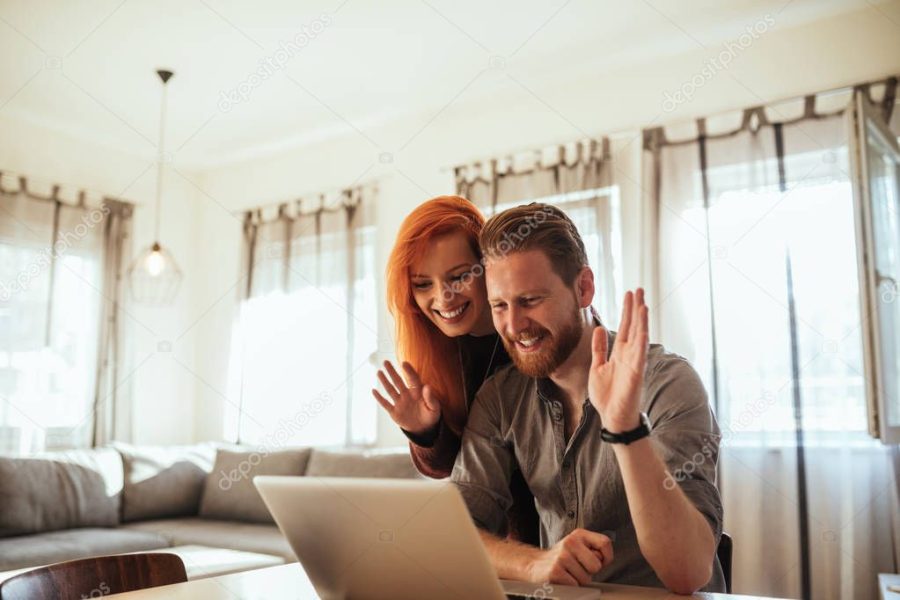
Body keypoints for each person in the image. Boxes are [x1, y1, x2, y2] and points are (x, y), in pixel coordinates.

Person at [451, 202, 725, 593]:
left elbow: (688, 572)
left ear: (583, 288)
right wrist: (536, 563)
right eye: (499, 305)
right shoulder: (502, 396)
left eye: (530, 301)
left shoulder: (669, 383)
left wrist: (626, 431)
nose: (513, 325)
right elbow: (459, 531)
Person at [372, 195, 538, 543]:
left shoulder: (531, 337)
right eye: (422, 284)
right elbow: (457, 470)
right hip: (508, 550)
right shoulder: (439, 348)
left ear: (488, 269)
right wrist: (426, 433)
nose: (443, 298)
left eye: (460, 276)